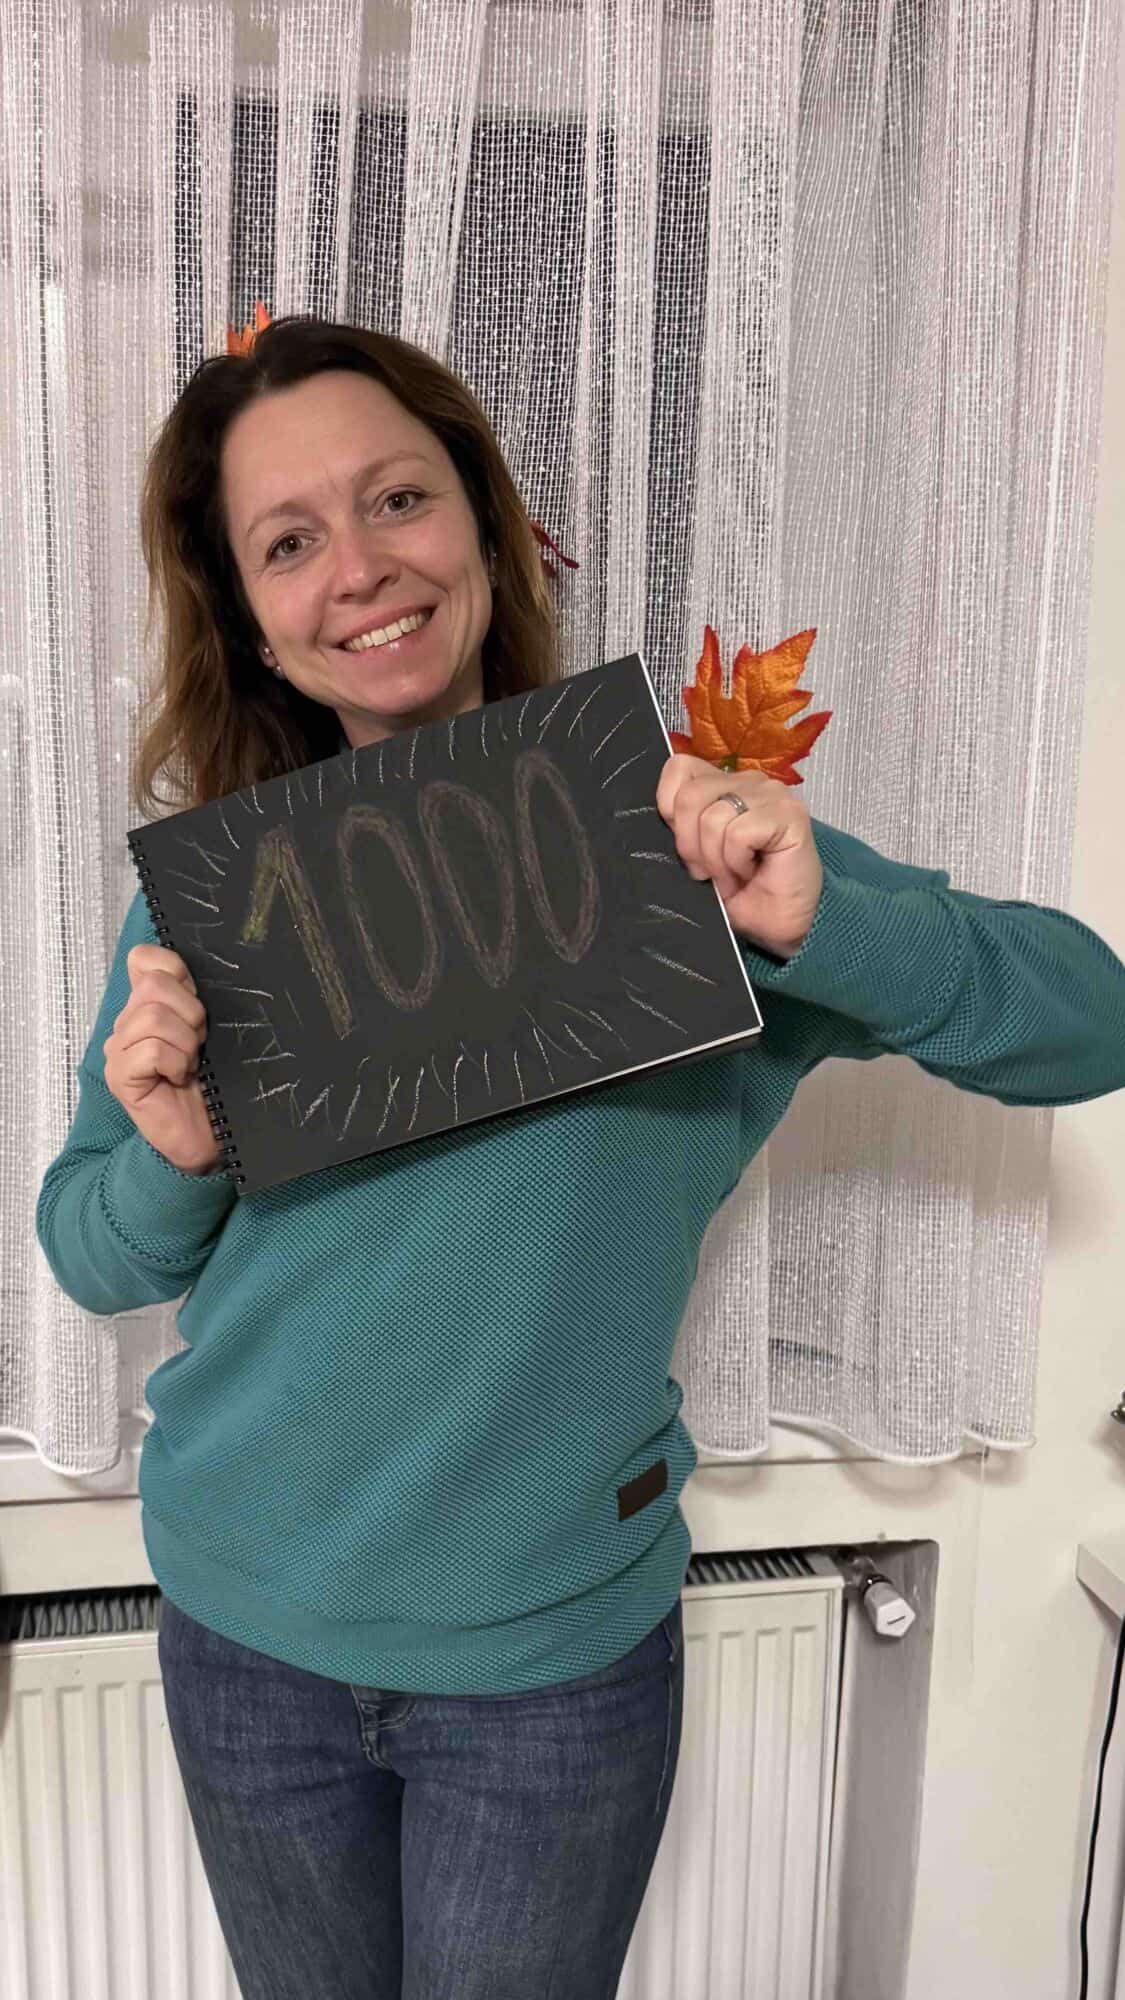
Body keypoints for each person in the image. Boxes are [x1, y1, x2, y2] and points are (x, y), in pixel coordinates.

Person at [36, 315, 1125, 2000]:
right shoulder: (216, 907)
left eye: (398, 498)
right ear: (248, 616)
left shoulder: (681, 849)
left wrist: (827, 924)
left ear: (485, 524)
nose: (359, 568)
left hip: (549, 1664)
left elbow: (1087, 1022)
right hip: (245, 1638)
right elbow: (91, 1248)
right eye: (288, 541)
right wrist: (175, 1153)